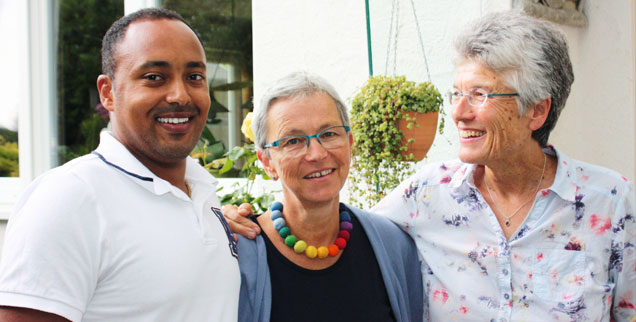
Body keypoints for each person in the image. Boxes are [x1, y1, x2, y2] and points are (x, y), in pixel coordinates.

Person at [225, 11, 635, 322]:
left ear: (537, 111)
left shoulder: (611, 202)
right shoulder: (427, 194)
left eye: (480, 95)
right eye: (456, 92)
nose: (458, 112)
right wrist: (232, 221)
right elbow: (333, 225)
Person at [0, 8, 239, 322]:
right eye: (155, 77)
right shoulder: (71, 198)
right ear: (108, 92)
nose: (180, 95)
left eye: (194, 77)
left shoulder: (203, 193)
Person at [233, 71, 423, 322]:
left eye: (329, 134)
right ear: (267, 162)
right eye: (293, 141)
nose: (316, 154)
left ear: (350, 142)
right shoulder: (237, 255)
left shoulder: (394, 245)